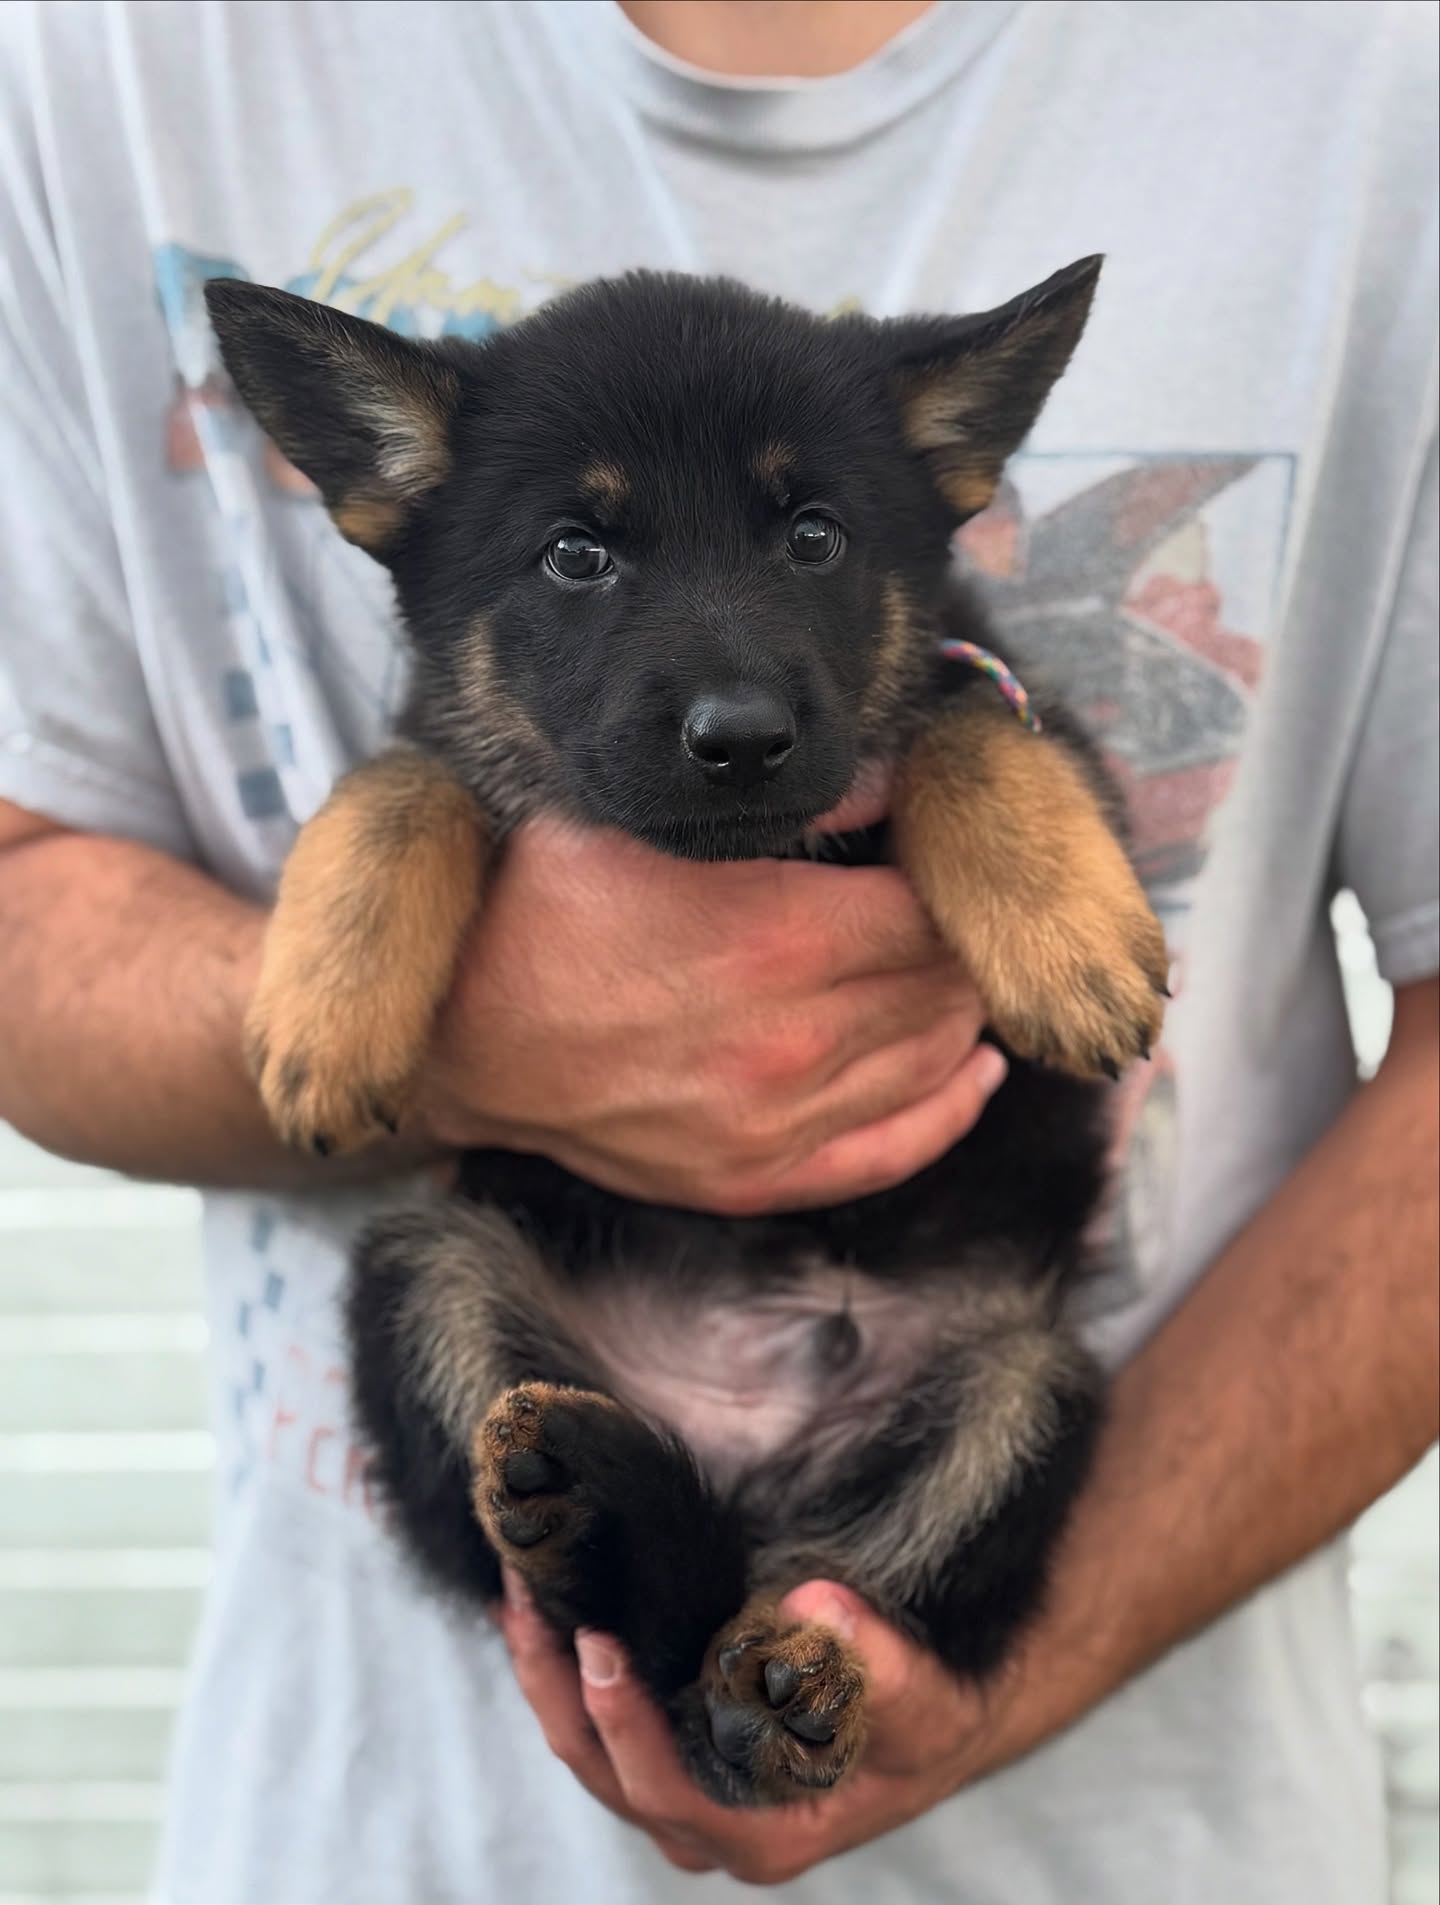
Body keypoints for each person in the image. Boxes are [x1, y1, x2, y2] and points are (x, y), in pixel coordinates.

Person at [0, 1, 1435, 1899]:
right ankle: (642, 1571)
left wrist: (971, 782)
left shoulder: (1375, 79)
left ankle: (793, 1672)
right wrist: (446, 1012)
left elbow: (967, 719)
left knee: (1019, 1382)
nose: (736, 683)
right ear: (393, 499)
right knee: (435, 1268)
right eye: (581, 558)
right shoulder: (105, 59)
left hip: (1046, 1631)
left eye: (811, 537)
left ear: (938, 493)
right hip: (412, 1766)